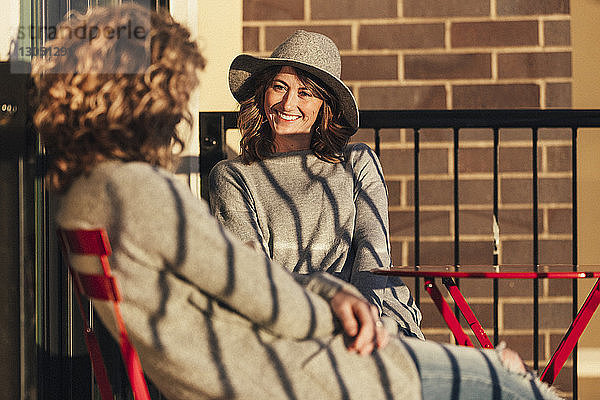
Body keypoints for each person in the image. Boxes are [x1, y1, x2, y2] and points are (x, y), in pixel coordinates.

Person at [32, 4, 562, 400]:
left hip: (267, 364)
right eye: (173, 91)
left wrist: (359, 312)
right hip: (292, 372)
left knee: (497, 373)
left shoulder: (87, 198)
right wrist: (337, 302)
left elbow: (249, 289)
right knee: (514, 386)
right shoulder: (142, 194)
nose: (178, 110)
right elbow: (265, 300)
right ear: (143, 98)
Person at [209, 30, 423, 339]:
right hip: (288, 322)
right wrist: (330, 305)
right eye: (278, 87)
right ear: (263, 92)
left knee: (487, 373)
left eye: (305, 93)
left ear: (325, 105)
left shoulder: (357, 161)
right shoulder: (232, 175)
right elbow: (253, 272)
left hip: (374, 314)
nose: (287, 103)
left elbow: (372, 251)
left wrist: (365, 315)